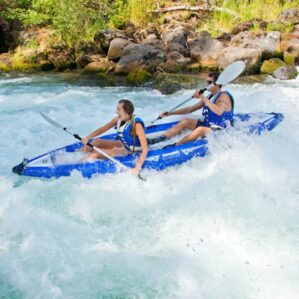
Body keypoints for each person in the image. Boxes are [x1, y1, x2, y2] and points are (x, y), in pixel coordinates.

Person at [147, 71, 234, 146]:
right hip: (208, 126)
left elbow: (219, 112)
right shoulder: (210, 96)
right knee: (186, 121)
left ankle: (176, 145)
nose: (206, 84)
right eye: (207, 82)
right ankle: (159, 139)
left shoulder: (224, 96)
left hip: (220, 131)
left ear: (217, 84)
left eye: (209, 82)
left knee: (200, 129)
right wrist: (170, 113)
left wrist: (203, 97)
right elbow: (190, 109)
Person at [81, 99, 148, 174]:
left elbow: (145, 149)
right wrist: (87, 137)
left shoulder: (137, 125)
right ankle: (77, 155)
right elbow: (103, 129)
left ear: (126, 111)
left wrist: (137, 168)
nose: (116, 112)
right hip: (125, 145)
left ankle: (77, 166)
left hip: (130, 151)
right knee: (96, 141)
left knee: (95, 153)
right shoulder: (118, 119)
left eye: (119, 110)